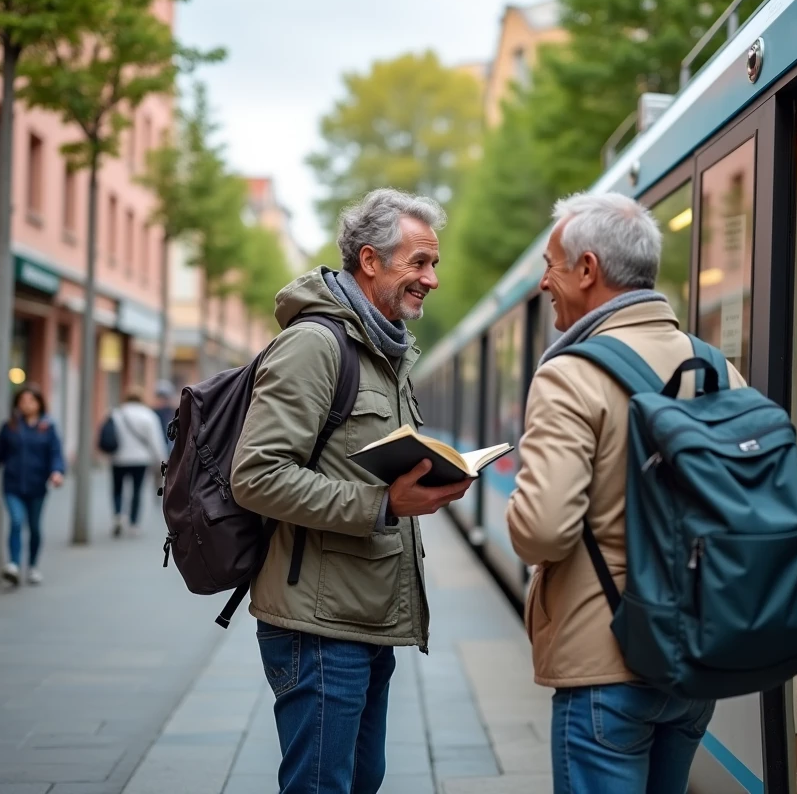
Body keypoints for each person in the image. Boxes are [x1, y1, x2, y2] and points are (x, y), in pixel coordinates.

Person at [230, 188, 473, 794]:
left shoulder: (385, 352)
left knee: (361, 781)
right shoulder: (315, 346)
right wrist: (382, 505)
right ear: (370, 260)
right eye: (419, 263)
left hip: (363, 619)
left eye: (433, 264)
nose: (431, 279)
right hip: (319, 629)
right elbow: (256, 475)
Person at [506, 192, 747, 794]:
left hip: (606, 660)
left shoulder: (572, 374)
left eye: (551, 265)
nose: (544, 283)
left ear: (587, 270)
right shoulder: (716, 367)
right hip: (695, 656)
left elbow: (541, 530)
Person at [0, 384, 65, 586]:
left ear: (39, 404)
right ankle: (14, 565)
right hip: (13, 484)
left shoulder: (48, 427)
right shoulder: (10, 426)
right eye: (23, 401)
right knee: (17, 521)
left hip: (37, 486)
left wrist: (57, 472)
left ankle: (33, 566)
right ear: (17, 404)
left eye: (31, 401)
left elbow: (56, 454)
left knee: (34, 528)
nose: (27, 405)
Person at [108, 386, 168, 538]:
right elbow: (156, 440)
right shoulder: (148, 415)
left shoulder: (116, 414)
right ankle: (134, 524)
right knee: (137, 490)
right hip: (140, 459)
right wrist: (161, 459)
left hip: (118, 458)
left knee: (117, 489)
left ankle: (118, 515)